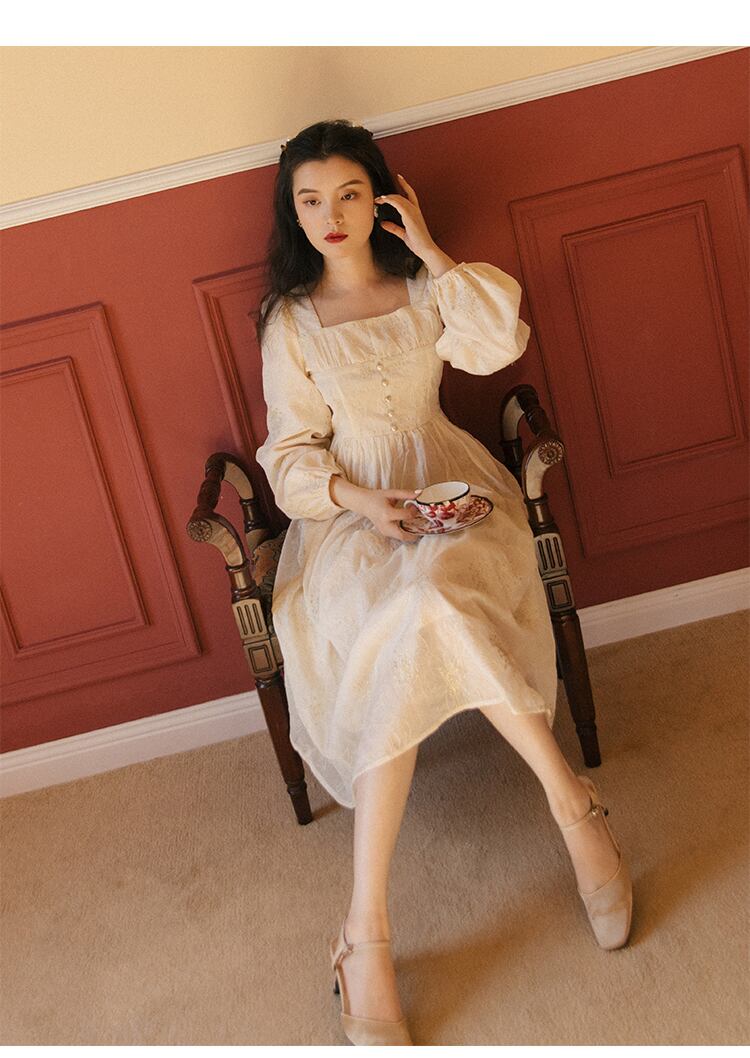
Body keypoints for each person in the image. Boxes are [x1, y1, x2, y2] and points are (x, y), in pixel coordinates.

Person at [253, 119, 632, 1046]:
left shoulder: (426, 285)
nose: (331, 215)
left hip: (453, 484)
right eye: (310, 200)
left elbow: (494, 343)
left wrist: (427, 247)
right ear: (292, 214)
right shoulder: (291, 322)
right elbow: (290, 454)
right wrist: (359, 501)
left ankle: (366, 931)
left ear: (383, 197)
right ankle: (569, 806)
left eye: (349, 194)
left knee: (434, 596)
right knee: (410, 609)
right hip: (352, 515)